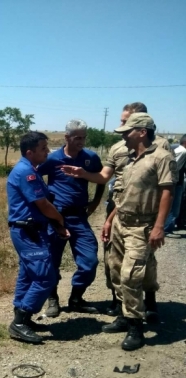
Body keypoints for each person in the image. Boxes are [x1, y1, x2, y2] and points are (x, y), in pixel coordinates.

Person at [65, 112, 175, 350]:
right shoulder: (131, 159)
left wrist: (159, 226)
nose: (123, 135)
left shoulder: (162, 157)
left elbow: (168, 191)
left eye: (128, 131)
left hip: (142, 226)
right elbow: (120, 195)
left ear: (142, 132)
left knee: (130, 276)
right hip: (120, 222)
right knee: (115, 271)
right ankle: (124, 317)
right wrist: (109, 219)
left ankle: (136, 327)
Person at [7, 131, 70, 344]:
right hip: (28, 233)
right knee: (45, 277)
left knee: (28, 274)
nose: (48, 151)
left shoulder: (29, 169)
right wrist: (60, 221)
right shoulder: (27, 173)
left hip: (30, 231)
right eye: (44, 148)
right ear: (30, 152)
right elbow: (42, 204)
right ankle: (20, 322)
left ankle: (21, 316)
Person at [37, 119, 105, 317]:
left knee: (90, 261)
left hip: (79, 217)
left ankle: (76, 298)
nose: (81, 141)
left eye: (84, 137)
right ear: (67, 137)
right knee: (51, 261)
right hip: (55, 217)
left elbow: (101, 178)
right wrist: (44, 201)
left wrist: (95, 202)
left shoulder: (91, 158)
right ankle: (53, 300)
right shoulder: (52, 159)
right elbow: (35, 176)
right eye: (77, 138)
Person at [164, 134, 186, 237]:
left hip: (175, 182)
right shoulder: (182, 151)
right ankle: (167, 228)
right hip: (175, 182)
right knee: (174, 206)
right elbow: (173, 167)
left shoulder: (177, 149)